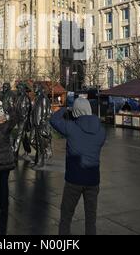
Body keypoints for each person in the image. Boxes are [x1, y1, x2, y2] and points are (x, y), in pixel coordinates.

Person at [50, 98, 106, 236]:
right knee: (90, 219)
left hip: (73, 180)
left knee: (66, 217)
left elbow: (53, 119)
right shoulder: (101, 131)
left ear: (76, 112)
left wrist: (66, 108)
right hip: (93, 180)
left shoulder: (71, 127)